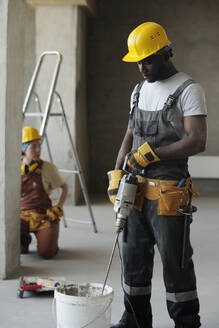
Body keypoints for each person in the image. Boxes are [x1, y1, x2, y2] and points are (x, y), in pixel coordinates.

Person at [108, 22, 207, 328]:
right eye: (137, 61)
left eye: (147, 60)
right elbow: (130, 134)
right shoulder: (138, 91)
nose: (141, 67)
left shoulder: (189, 90)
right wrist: (117, 170)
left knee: (175, 263)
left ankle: (186, 322)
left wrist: (153, 153)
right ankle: (135, 320)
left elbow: (196, 140)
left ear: (166, 53)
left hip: (168, 195)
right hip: (134, 192)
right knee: (134, 261)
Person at [20, 126, 68, 259]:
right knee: (13, 239)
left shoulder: (47, 168)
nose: (38, 150)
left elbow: (64, 187)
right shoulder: (15, 168)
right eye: (33, 147)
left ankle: (50, 239)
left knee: (47, 253)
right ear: (24, 150)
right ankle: (24, 240)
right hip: (22, 216)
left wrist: (59, 206)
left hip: (43, 216)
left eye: (39, 146)